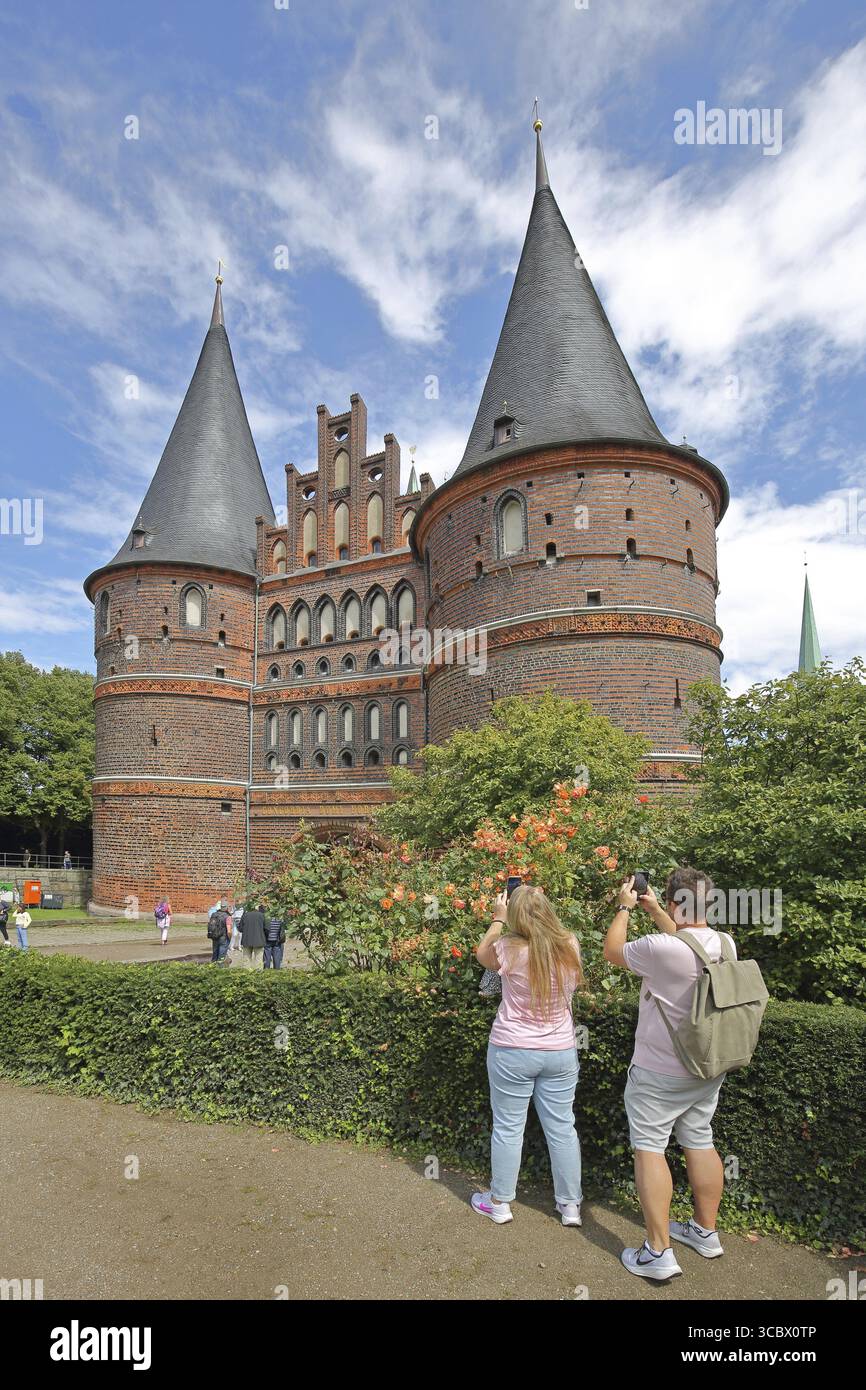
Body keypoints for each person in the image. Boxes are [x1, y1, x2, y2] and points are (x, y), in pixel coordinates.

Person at [604, 867, 735, 1281]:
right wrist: (658, 909)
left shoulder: (660, 948)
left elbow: (612, 951)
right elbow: (688, 945)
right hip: (707, 1067)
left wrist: (625, 909)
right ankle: (704, 1231)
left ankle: (657, 1252)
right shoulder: (726, 943)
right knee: (699, 1139)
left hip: (659, 1072)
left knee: (650, 1148)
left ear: (680, 903)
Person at [471, 885, 584, 1227]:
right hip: (560, 1050)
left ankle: (500, 1203)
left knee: (508, 1129)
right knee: (563, 1129)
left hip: (512, 1049)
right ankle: (570, 1207)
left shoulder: (505, 947)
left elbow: (481, 954)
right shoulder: (570, 945)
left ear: (516, 915)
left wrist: (496, 918)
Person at [239, 901, 266, 970]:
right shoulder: (262, 915)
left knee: (246, 959)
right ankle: (258, 974)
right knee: (258, 958)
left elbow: (240, 928)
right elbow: (267, 928)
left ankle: (247, 974)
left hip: (246, 939)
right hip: (259, 939)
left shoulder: (245, 915)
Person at [207, 898, 232, 964]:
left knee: (214, 955)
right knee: (221, 957)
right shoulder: (228, 916)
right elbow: (229, 931)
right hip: (223, 938)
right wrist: (230, 938)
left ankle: (212, 969)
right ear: (227, 908)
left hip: (214, 936)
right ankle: (220, 970)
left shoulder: (214, 914)